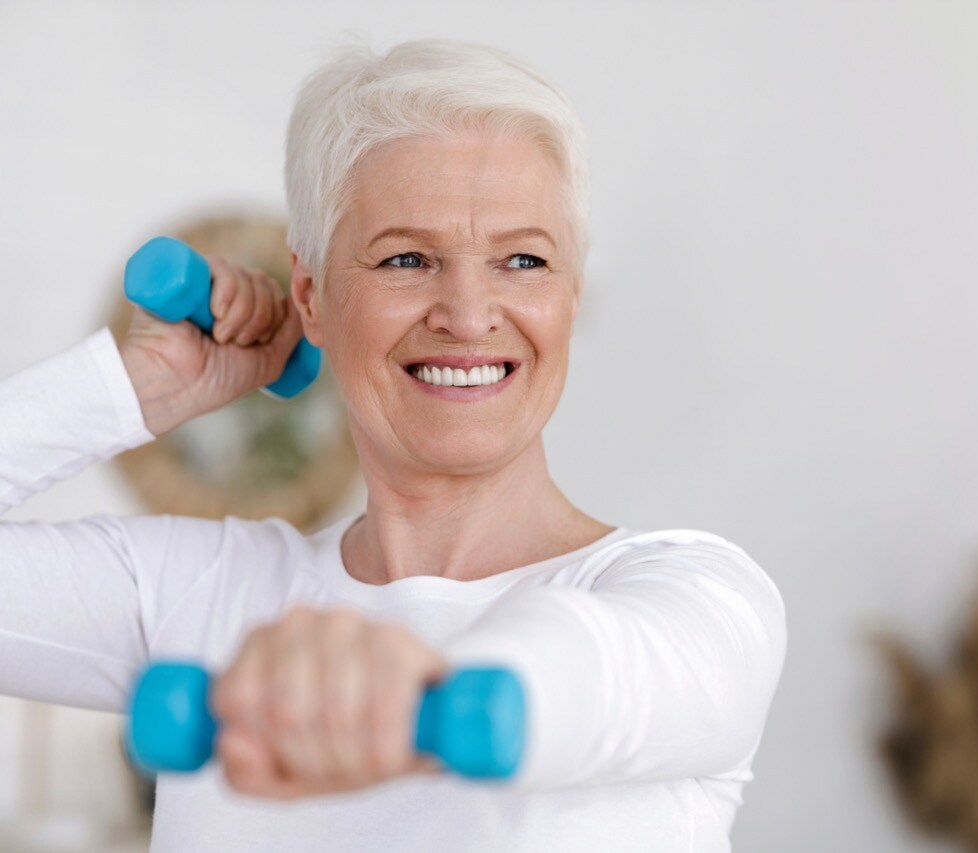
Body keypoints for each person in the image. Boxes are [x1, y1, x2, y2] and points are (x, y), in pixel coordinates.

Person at [0, 39, 786, 852]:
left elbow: (590, 674)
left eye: (524, 259)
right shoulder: (199, 595)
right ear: (313, 298)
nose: (470, 312)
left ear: (570, 297)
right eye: (407, 258)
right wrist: (129, 388)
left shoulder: (700, 599)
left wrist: (420, 688)